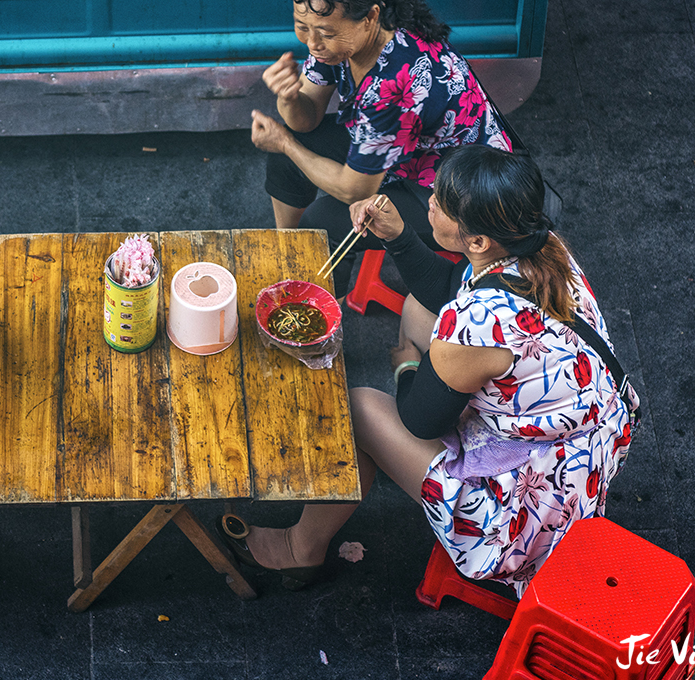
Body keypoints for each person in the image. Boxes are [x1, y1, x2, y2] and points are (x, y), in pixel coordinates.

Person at [220, 145, 637, 595]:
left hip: (528, 512)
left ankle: (300, 550)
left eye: (440, 201)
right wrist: (399, 236)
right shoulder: (543, 247)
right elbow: (446, 288)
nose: (429, 202)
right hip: (587, 437)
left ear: (477, 242)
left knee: (360, 408)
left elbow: (421, 421)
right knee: (421, 310)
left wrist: (408, 366)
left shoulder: (478, 321)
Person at [250, 0, 512, 290]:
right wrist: (289, 97)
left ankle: (318, 303)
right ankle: (290, 254)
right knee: (287, 156)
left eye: (326, 32)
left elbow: (352, 189)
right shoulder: (339, 37)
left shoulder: (394, 86)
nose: (313, 43)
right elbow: (307, 119)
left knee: (324, 221)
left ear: (370, 17)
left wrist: (285, 143)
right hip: (399, 152)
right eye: (302, 27)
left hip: (453, 187)